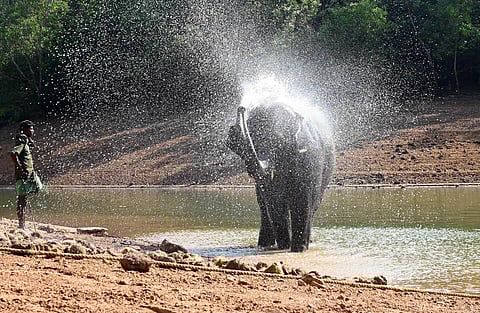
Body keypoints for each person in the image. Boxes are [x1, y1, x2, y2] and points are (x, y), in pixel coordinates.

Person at [9, 120, 43, 229]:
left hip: (30, 174)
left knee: (39, 187)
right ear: (24, 129)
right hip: (23, 175)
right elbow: (13, 154)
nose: (33, 130)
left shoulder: (26, 140)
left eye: (33, 128)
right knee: (22, 200)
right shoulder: (21, 140)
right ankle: (21, 225)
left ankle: (22, 222)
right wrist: (20, 168)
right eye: (31, 128)